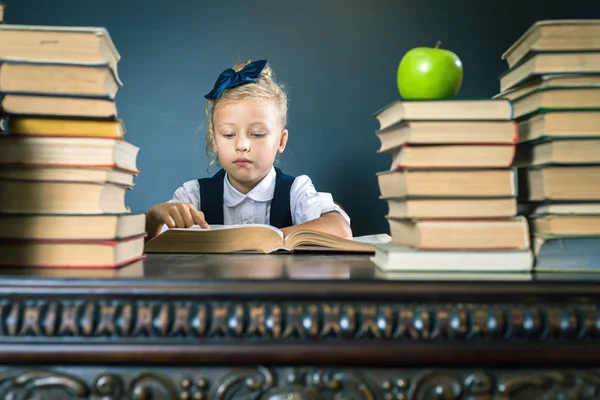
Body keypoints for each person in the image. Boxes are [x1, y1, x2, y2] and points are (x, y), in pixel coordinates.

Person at [145, 59, 352, 240]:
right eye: (228, 134)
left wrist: (268, 237)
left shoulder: (296, 192)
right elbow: (150, 246)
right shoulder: (193, 195)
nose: (242, 145)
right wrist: (154, 217)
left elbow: (340, 228)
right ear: (214, 140)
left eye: (257, 134)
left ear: (281, 141)